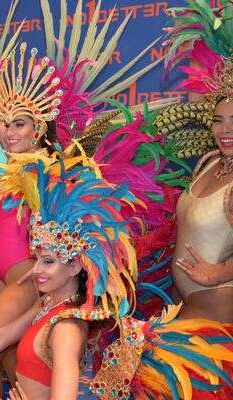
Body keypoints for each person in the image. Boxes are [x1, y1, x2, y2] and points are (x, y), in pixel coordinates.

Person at [0, 152, 233, 400]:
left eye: (47, 262)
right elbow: (3, 336)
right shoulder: (50, 305)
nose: (36, 270)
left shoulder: (66, 328)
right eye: (36, 259)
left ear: (74, 267)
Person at [0, 44, 62, 395]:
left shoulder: (44, 170)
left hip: (23, 273)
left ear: (38, 129)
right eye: (8, 125)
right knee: (5, 355)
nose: (11, 132)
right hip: (0, 275)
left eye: (20, 125)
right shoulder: (13, 160)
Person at [164, 3, 233, 324]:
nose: (225, 131)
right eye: (218, 121)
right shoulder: (209, 162)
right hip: (189, 302)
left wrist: (220, 272)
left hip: (218, 304)